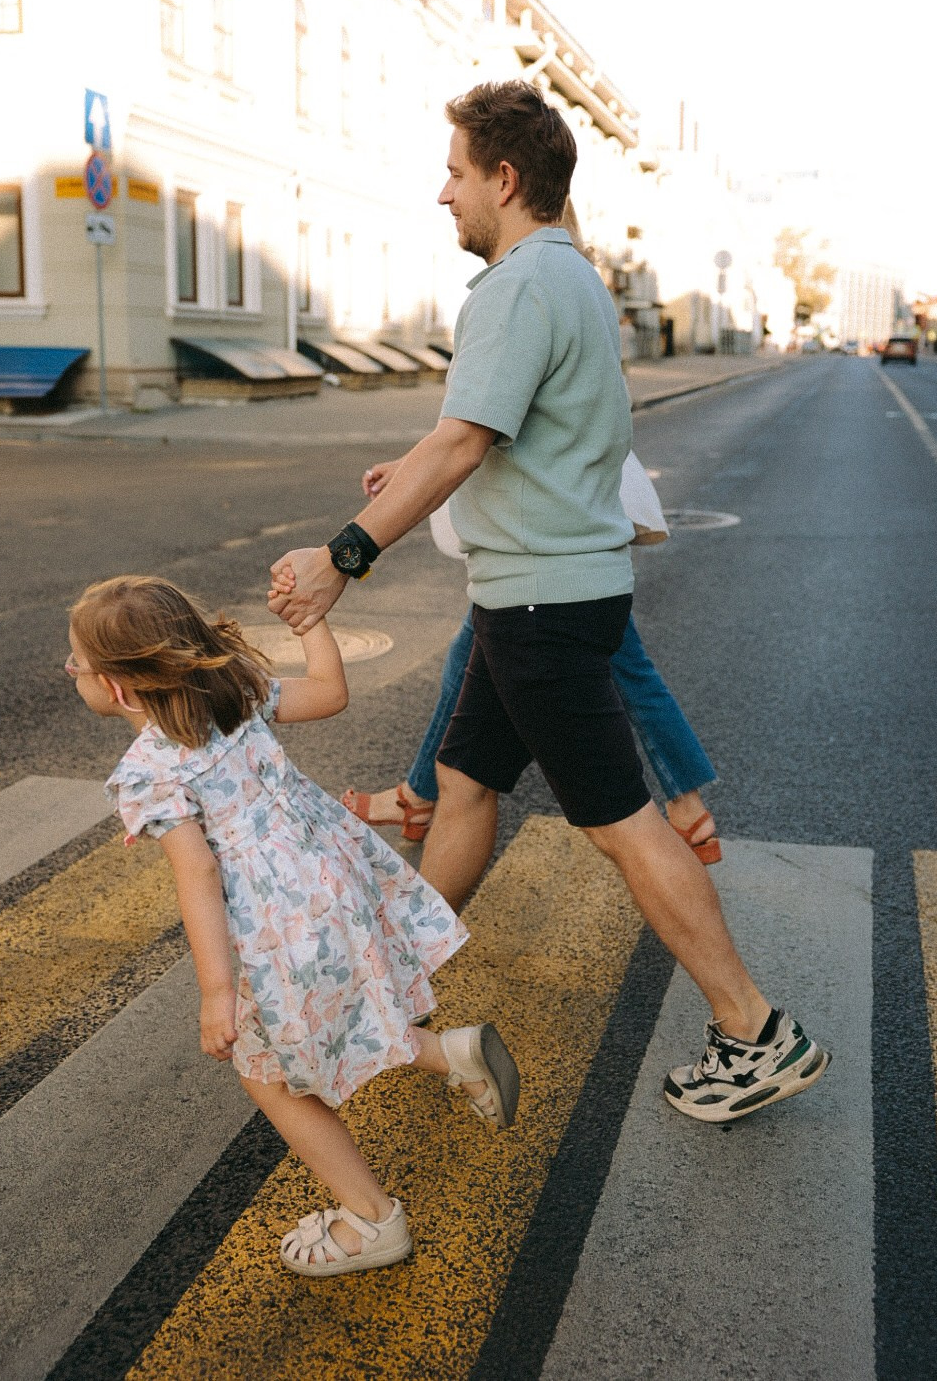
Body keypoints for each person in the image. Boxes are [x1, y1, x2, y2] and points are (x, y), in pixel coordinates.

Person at [269, 80, 830, 1124]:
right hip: (541, 596)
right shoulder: (570, 280)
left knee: (623, 825)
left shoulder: (519, 287)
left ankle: (754, 1027)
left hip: (541, 608)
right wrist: (421, 467)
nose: (444, 194)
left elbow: (468, 437)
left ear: (505, 178)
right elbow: (499, 437)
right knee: (463, 782)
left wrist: (346, 555)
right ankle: (388, 986)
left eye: (455, 172)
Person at [67, 573, 520, 1277]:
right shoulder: (236, 693)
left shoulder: (149, 772)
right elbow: (330, 692)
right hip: (333, 879)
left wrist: (218, 992)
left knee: (271, 1075)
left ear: (119, 688)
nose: (72, 673)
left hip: (278, 923)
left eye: (77, 665)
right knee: (336, 1020)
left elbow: (200, 875)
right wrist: (311, 624)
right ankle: (448, 1054)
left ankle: (372, 1221)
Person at [340, 607, 721, 864]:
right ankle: (419, 794)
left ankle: (687, 809)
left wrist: (353, 548)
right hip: (568, 544)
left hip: (546, 551)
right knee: (468, 649)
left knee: (627, 670)